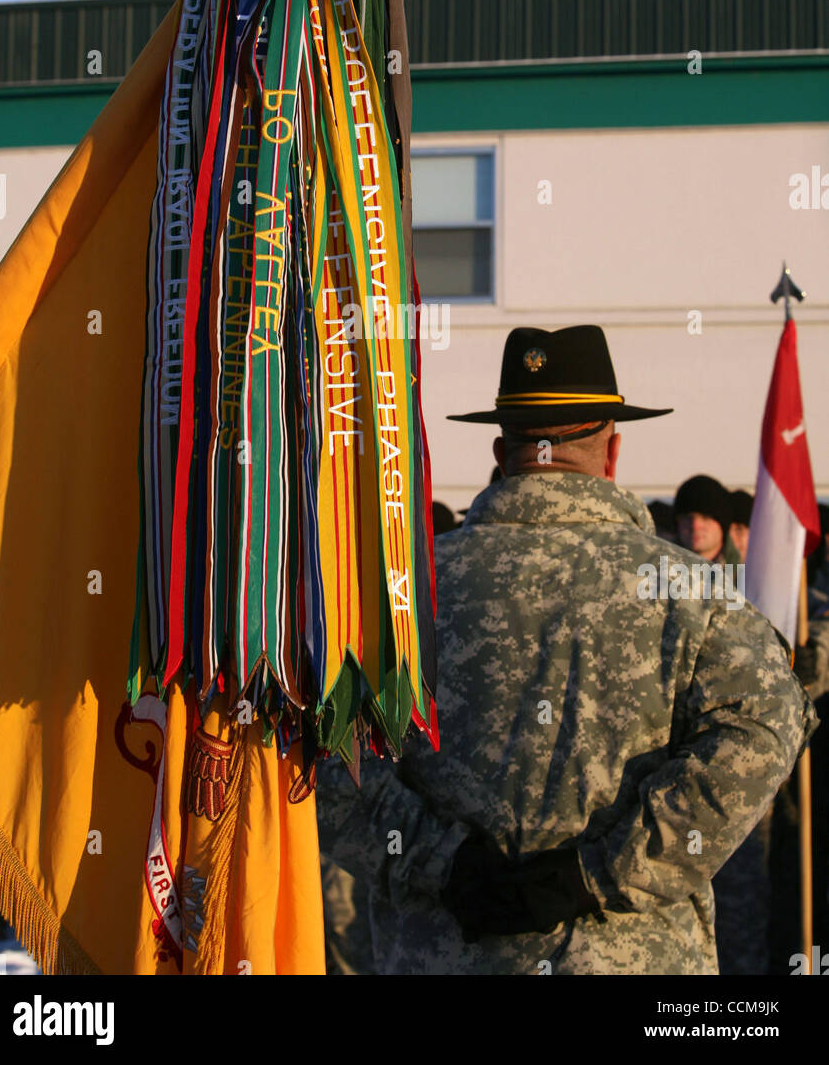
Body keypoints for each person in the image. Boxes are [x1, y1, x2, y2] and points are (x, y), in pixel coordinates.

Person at [315, 325, 816, 975]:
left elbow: (330, 760)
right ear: (612, 451)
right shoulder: (698, 595)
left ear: (502, 449)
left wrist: (446, 863)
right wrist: (594, 874)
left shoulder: (392, 599)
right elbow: (763, 736)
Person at [673, 474, 739, 565]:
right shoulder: (655, 573)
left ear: (722, 525)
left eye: (705, 518)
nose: (695, 525)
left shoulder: (750, 574)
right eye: (688, 518)